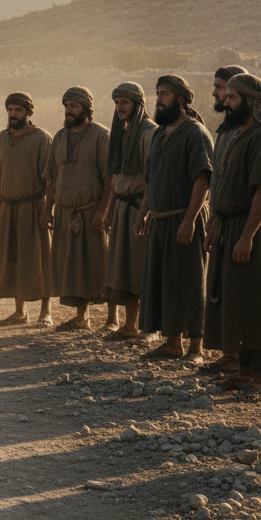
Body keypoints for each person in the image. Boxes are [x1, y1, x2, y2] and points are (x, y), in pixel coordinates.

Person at [204, 73, 261, 395]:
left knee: (256, 299)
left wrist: (246, 236)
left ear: (250, 101)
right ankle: (244, 370)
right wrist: (215, 224)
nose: (225, 102)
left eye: (232, 98)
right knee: (235, 298)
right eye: (225, 96)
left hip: (251, 227)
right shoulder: (236, 134)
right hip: (230, 225)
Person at [134, 75, 214, 358]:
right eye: (157, 93)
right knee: (167, 282)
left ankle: (196, 347)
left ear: (181, 99)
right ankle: (172, 343)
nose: (159, 99)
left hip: (184, 219)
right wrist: (143, 215)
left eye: (165, 94)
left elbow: (202, 180)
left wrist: (190, 220)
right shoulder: (159, 133)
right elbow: (151, 180)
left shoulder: (195, 133)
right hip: (160, 220)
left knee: (190, 280)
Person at [42, 86, 112, 331]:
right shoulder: (60, 137)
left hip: (91, 211)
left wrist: (103, 211)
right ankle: (83, 318)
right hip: (64, 212)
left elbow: (109, 177)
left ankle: (113, 320)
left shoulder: (101, 135)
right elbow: (51, 177)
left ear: (86, 108)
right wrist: (46, 209)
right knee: (73, 267)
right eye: (66, 106)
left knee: (100, 262)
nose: (68, 111)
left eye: (73, 106)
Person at [0, 91, 53, 326]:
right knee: (12, 258)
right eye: (10, 110)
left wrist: (47, 210)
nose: (13, 115)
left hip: (33, 206)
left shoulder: (42, 139)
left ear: (28, 112)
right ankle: (20, 312)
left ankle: (46, 311)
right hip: (6, 206)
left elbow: (50, 179)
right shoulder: (1, 139)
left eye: (18, 110)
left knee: (38, 257)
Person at [97, 82, 155, 338]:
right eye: (117, 102)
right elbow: (115, 175)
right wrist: (109, 209)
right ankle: (129, 325)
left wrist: (144, 214)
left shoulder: (148, 133)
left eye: (125, 102)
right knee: (123, 268)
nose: (120, 107)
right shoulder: (122, 131)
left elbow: (153, 178)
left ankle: (146, 327)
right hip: (121, 206)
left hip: (139, 207)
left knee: (139, 268)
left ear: (137, 105)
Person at [203, 64, 247, 374]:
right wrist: (213, 219)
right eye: (220, 89)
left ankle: (242, 360)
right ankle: (229, 354)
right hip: (222, 220)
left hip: (243, 223)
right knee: (222, 287)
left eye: (223, 89)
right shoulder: (227, 128)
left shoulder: (251, 131)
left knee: (239, 291)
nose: (218, 95)